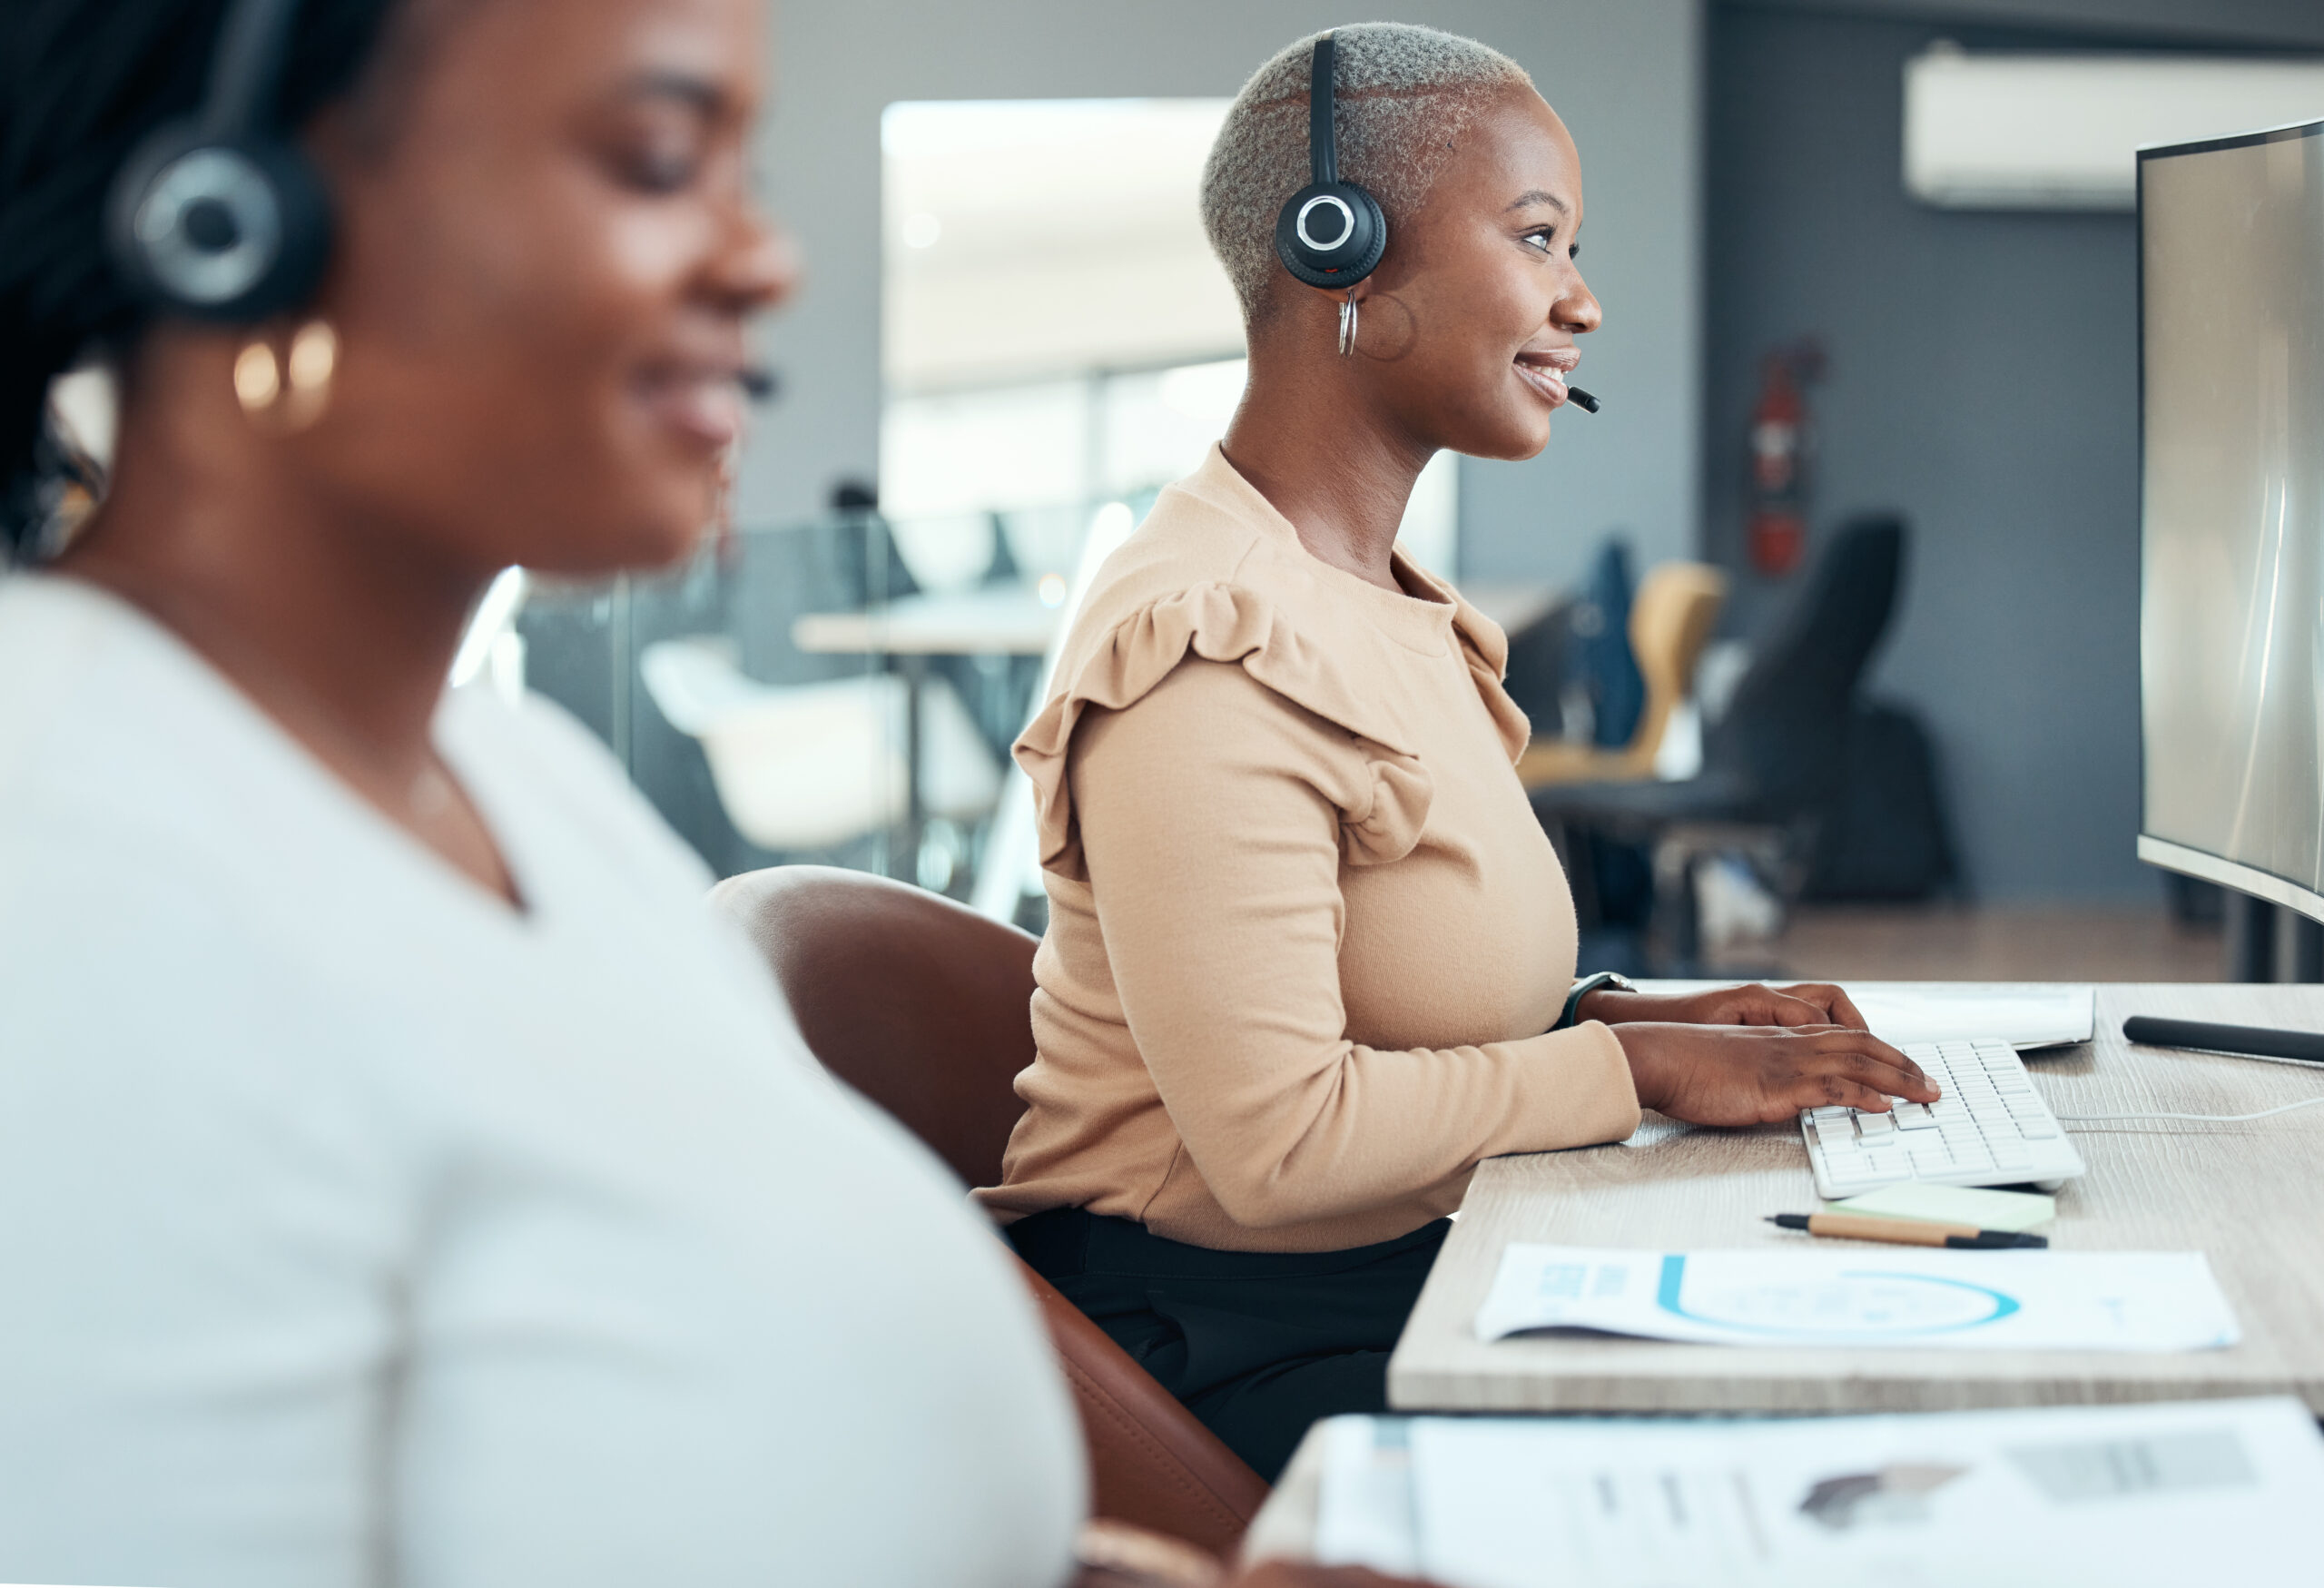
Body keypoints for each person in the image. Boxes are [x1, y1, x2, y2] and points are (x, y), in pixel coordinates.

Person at [0, 3, 1415, 1585]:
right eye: (660, 159)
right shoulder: (79, 878)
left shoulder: (514, 781)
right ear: (227, 221)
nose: (764, 260)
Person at [977, 23, 1938, 1483]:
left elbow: (1382, 991)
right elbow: (1281, 1145)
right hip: (1230, 1343)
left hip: (1394, 1263)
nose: (1584, 299)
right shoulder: (1206, 639)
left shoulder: (1372, 597)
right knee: (1819, 1443)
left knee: (1871, 1341)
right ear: (1337, 246)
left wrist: (1637, 1020)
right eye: (1537, 236)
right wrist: (1645, 1072)